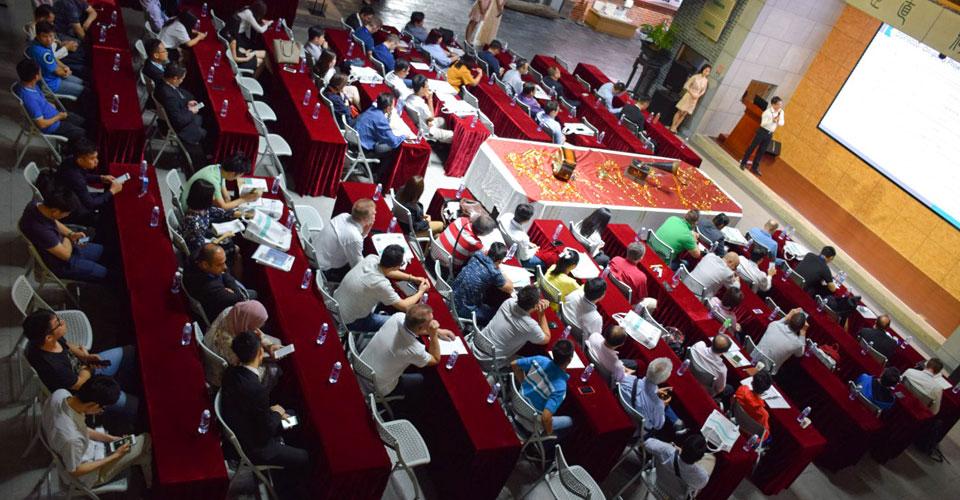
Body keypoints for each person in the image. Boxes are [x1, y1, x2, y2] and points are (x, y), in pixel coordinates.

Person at [220, 332, 309, 498]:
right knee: (304, 456)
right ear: (260, 352)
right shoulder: (257, 390)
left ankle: (287, 443)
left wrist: (273, 413)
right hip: (257, 447)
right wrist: (276, 413)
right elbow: (265, 432)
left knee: (293, 417)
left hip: (243, 424)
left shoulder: (230, 372)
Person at [25, 310, 140, 427]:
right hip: (86, 389)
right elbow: (80, 384)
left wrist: (85, 356)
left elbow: (67, 345)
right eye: (58, 323)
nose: (63, 321)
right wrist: (88, 367)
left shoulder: (47, 340)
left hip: (85, 369)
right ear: (49, 337)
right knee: (135, 405)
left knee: (131, 352)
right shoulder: (54, 367)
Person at [41, 376, 152, 490]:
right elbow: (75, 471)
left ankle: (141, 461)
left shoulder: (60, 394)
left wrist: (111, 438)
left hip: (73, 447)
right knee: (146, 440)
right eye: (102, 409)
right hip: (89, 476)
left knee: (137, 450)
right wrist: (115, 456)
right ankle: (150, 484)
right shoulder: (72, 439)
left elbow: (81, 429)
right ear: (93, 405)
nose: (100, 411)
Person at [359, 304, 456, 405]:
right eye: (431, 322)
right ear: (421, 327)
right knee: (422, 379)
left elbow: (413, 329)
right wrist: (433, 334)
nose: (433, 323)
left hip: (361, 369)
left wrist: (439, 331)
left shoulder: (397, 317)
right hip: (376, 388)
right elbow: (435, 359)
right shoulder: (414, 349)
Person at [333, 244, 430, 332]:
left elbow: (388, 271)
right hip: (350, 321)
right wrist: (421, 291)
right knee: (400, 322)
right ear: (396, 266)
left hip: (335, 305)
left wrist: (412, 278)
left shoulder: (371, 258)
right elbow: (405, 306)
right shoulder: (381, 284)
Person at [19, 188, 107, 282]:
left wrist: (71, 234)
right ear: (56, 211)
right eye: (67, 213)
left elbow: (54, 221)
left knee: (104, 252)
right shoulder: (41, 231)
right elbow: (66, 255)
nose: (67, 215)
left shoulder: (37, 205)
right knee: (105, 274)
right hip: (62, 263)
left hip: (66, 246)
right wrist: (68, 238)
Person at [204, 300, 283, 387]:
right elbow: (248, 365)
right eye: (255, 325)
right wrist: (263, 356)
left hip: (217, 350)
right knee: (273, 369)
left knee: (274, 343)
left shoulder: (232, 312)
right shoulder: (232, 346)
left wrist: (269, 345)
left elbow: (255, 331)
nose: (258, 328)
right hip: (223, 374)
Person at [511, 340, 575, 444]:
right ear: (569, 360)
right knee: (569, 421)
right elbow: (545, 417)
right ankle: (543, 445)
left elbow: (514, 364)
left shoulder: (540, 359)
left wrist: (523, 382)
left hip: (516, 403)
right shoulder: (560, 387)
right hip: (530, 422)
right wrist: (549, 432)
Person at [55, 138, 121, 226]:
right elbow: (91, 204)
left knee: (106, 198)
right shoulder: (77, 179)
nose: (96, 161)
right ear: (80, 160)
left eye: (96, 157)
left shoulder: (71, 159)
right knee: (109, 219)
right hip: (70, 210)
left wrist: (100, 178)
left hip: (71, 196)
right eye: (92, 158)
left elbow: (84, 175)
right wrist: (112, 191)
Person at [477, 285, 550, 360]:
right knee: (527, 358)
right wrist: (541, 314)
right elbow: (546, 339)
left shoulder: (508, 302)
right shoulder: (530, 326)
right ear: (535, 305)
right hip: (487, 360)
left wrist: (534, 305)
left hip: (476, 344)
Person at [183, 243, 254, 320]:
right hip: (218, 312)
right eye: (219, 264)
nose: (225, 267)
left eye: (224, 262)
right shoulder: (211, 288)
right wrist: (230, 290)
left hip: (217, 295)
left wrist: (224, 276)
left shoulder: (195, 257)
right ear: (205, 265)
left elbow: (225, 272)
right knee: (254, 294)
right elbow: (239, 297)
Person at [156, 63, 206, 165]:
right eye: (182, 79)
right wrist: (191, 111)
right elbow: (179, 120)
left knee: (202, 118)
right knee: (205, 131)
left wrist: (187, 103)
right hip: (177, 127)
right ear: (175, 78)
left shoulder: (163, 83)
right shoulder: (169, 96)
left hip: (179, 113)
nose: (182, 81)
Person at [452, 243, 513, 327]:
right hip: (464, 310)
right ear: (500, 261)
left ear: (488, 252)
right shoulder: (493, 272)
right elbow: (510, 288)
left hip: (452, 296)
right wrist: (501, 271)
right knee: (496, 314)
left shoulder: (477, 255)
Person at [315, 198, 375, 282]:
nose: (375, 213)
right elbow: (357, 266)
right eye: (373, 213)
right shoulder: (354, 237)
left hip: (316, 254)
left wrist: (364, 233)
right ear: (365, 219)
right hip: (324, 268)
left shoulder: (343, 215)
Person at [181, 180, 242, 258]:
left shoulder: (199, 207)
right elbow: (204, 248)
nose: (214, 197)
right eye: (212, 195)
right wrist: (224, 236)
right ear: (204, 198)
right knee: (236, 248)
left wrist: (240, 213)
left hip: (204, 236)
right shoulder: (194, 223)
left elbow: (218, 212)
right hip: (200, 253)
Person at [618, 357, 681, 432]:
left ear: (648, 368)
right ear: (664, 380)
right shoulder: (658, 405)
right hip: (639, 429)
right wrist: (663, 405)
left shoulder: (626, 379)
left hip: (621, 410)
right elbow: (658, 426)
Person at [180, 152, 259, 211]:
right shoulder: (213, 180)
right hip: (191, 209)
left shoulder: (219, 168)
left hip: (192, 199)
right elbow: (223, 206)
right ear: (233, 173)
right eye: (239, 175)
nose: (238, 178)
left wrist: (229, 200)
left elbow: (225, 193)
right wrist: (244, 199)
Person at [29, 21, 87, 99]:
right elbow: (59, 72)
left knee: (84, 83)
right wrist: (66, 72)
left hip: (55, 77)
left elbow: (54, 58)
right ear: (38, 36)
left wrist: (65, 66)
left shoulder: (42, 43)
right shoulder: (43, 53)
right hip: (51, 85)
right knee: (85, 91)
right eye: (44, 36)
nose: (49, 39)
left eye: (51, 36)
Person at [643, 435, 711, 496]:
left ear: (682, 446)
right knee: (711, 458)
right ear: (699, 459)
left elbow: (647, 443)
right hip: (676, 496)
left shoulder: (666, 450)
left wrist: (670, 447)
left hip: (658, 482)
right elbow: (701, 485)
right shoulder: (701, 476)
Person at [355, 92, 406, 163]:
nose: (393, 108)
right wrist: (404, 136)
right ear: (388, 108)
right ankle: (379, 170)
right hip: (364, 149)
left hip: (355, 142)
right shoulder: (380, 119)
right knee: (396, 146)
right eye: (392, 106)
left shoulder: (371, 109)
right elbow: (394, 142)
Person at [739, 96, 784, 175]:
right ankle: (743, 163)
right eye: (779, 104)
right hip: (762, 131)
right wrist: (772, 121)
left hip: (770, 134)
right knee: (752, 147)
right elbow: (763, 124)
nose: (780, 106)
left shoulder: (781, 112)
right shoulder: (767, 112)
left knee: (762, 151)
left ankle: (754, 167)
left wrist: (777, 121)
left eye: (781, 105)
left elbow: (782, 123)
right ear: (773, 104)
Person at [608, 242, 658, 310]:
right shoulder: (641, 277)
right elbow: (642, 297)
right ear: (641, 258)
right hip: (625, 304)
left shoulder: (616, 259)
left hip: (609, 290)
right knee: (653, 302)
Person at [405, 74, 454, 143]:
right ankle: (434, 140)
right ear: (421, 88)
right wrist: (430, 100)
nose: (428, 88)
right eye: (427, 87)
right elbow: (432, 118)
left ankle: (438, 142)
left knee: (442, 120)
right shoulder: (421, 105)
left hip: (420, 123)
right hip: (426, 131)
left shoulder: (409, 97)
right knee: (452, 135)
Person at [498, 203, 542, 269]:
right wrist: (534, 250)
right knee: (543, 261)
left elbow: (512, 236)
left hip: (501, 245)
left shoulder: (506, 216)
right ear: (527, 220)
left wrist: (528, 243)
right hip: (515, 258)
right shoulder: (523, 237)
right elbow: (524, 258)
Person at [732, 369, 772, 440]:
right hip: (747, 436)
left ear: (752, 382)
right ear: (765, 390)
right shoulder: (763, 414)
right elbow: (764, 435)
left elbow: (732, 401)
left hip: (736, 421)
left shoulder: (742, 390)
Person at [671, 64, 710, 133]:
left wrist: (698, 96)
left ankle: (676, 127)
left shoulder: (706, 81)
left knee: (684, 114)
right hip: (689, 95)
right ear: (703, 69)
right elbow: (686, 85)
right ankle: (672, 126)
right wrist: (691, 93)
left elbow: (703, 91)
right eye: (706, 70)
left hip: (695, 98)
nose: (706, 72)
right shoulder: (695, 77)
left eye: (708, 71)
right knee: (680, 111)